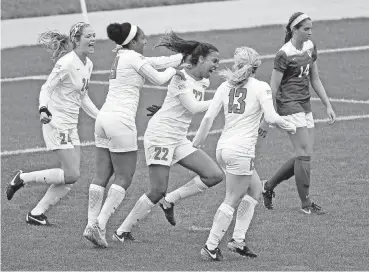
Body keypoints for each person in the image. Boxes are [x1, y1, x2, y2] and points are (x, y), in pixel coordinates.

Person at [111, 31, 224, 244]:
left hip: (178, 138)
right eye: (214, 61)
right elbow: (193, 106)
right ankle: (121, 232)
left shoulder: (204, 82)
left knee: (214, 175)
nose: (216, 66)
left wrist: (164, 107)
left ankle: (169, 201)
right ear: (200, 59)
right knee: (156, 189)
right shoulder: (180, 76)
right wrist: (222, 99)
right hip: (161, 136)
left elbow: (181, 104)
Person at [83, 23, 186, 248]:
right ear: (133, 41)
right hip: (121, 122)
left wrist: (179, 58)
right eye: (143, 38)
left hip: (103, 120)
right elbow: (159, 78)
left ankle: (91, 224)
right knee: (124, 177)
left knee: (101, 175)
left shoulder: (123, 55)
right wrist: (176, 71)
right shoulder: (132, 57)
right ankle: (99, 225)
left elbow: (154, 63)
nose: (146, 41)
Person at [192, 46, 296, 261]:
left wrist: (197, 142)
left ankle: (238, 240)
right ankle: (211, 247)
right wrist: (290, 126)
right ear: (256, 66)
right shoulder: (260, 87)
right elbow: (272, 117)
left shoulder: (224, 86)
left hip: (222, 149)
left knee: (255, 188)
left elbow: (208, 119)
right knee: (232, 197)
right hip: (241, 151)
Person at [6, 22, 99, 226]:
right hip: (56, 122)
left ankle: (36, 213)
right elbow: (46, 88)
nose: (93, 39)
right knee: (72, 173)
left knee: (71, 177)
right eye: (88, 36)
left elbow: (83, 98)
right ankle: (23, 178)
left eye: (94, 35)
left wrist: (100, 117)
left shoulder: (88, 64)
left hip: (71, 125)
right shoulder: (66, 63)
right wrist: (43, 109)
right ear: (76, 40)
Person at [259, 12, 336, 214]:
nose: (310, 32)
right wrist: (268, 117)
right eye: (306, 29)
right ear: (294, 30)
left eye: (311, 28)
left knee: (305, 155)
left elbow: (315, 79)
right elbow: (273, 87)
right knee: (304, 155)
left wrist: (328, 105)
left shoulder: (310, 48)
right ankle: (306, 204)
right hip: (289, 105)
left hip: (304, 105)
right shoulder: (284, 54)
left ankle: (268, 186)